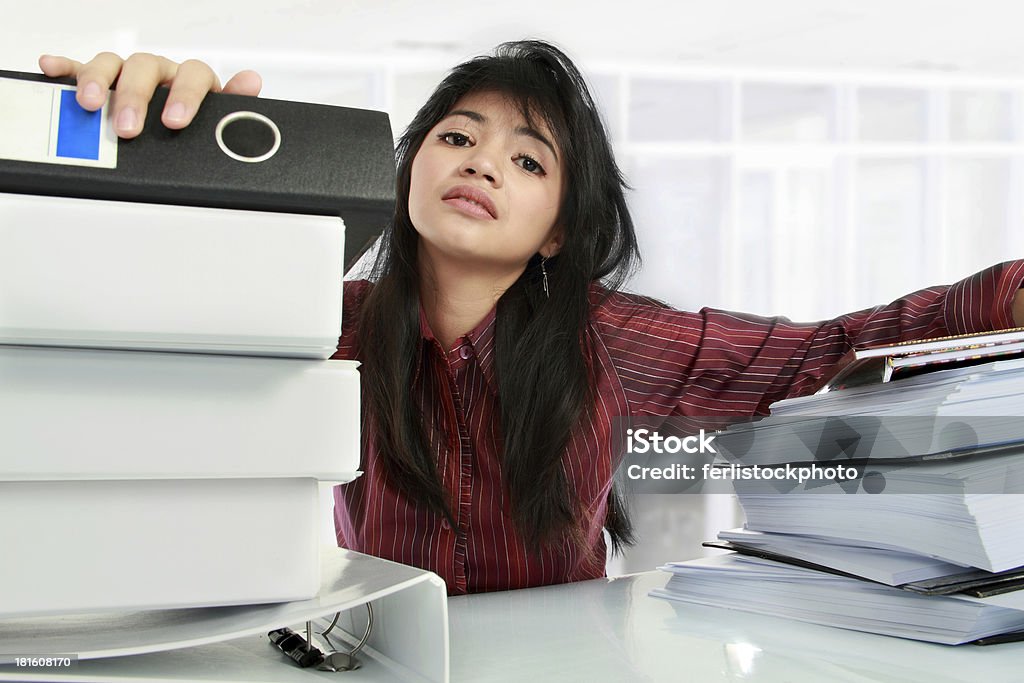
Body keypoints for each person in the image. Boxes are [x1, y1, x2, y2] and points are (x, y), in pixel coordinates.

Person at [40, 42, 1024, 596]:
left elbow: (818, 354)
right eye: (458, 135)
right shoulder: (323, 320)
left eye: (527, 159)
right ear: (411, 166)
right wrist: (140, 159)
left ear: (557, 230)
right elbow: (130, 333)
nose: (478, 162)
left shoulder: (608, 337)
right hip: (381, 655)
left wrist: (1004, 294)